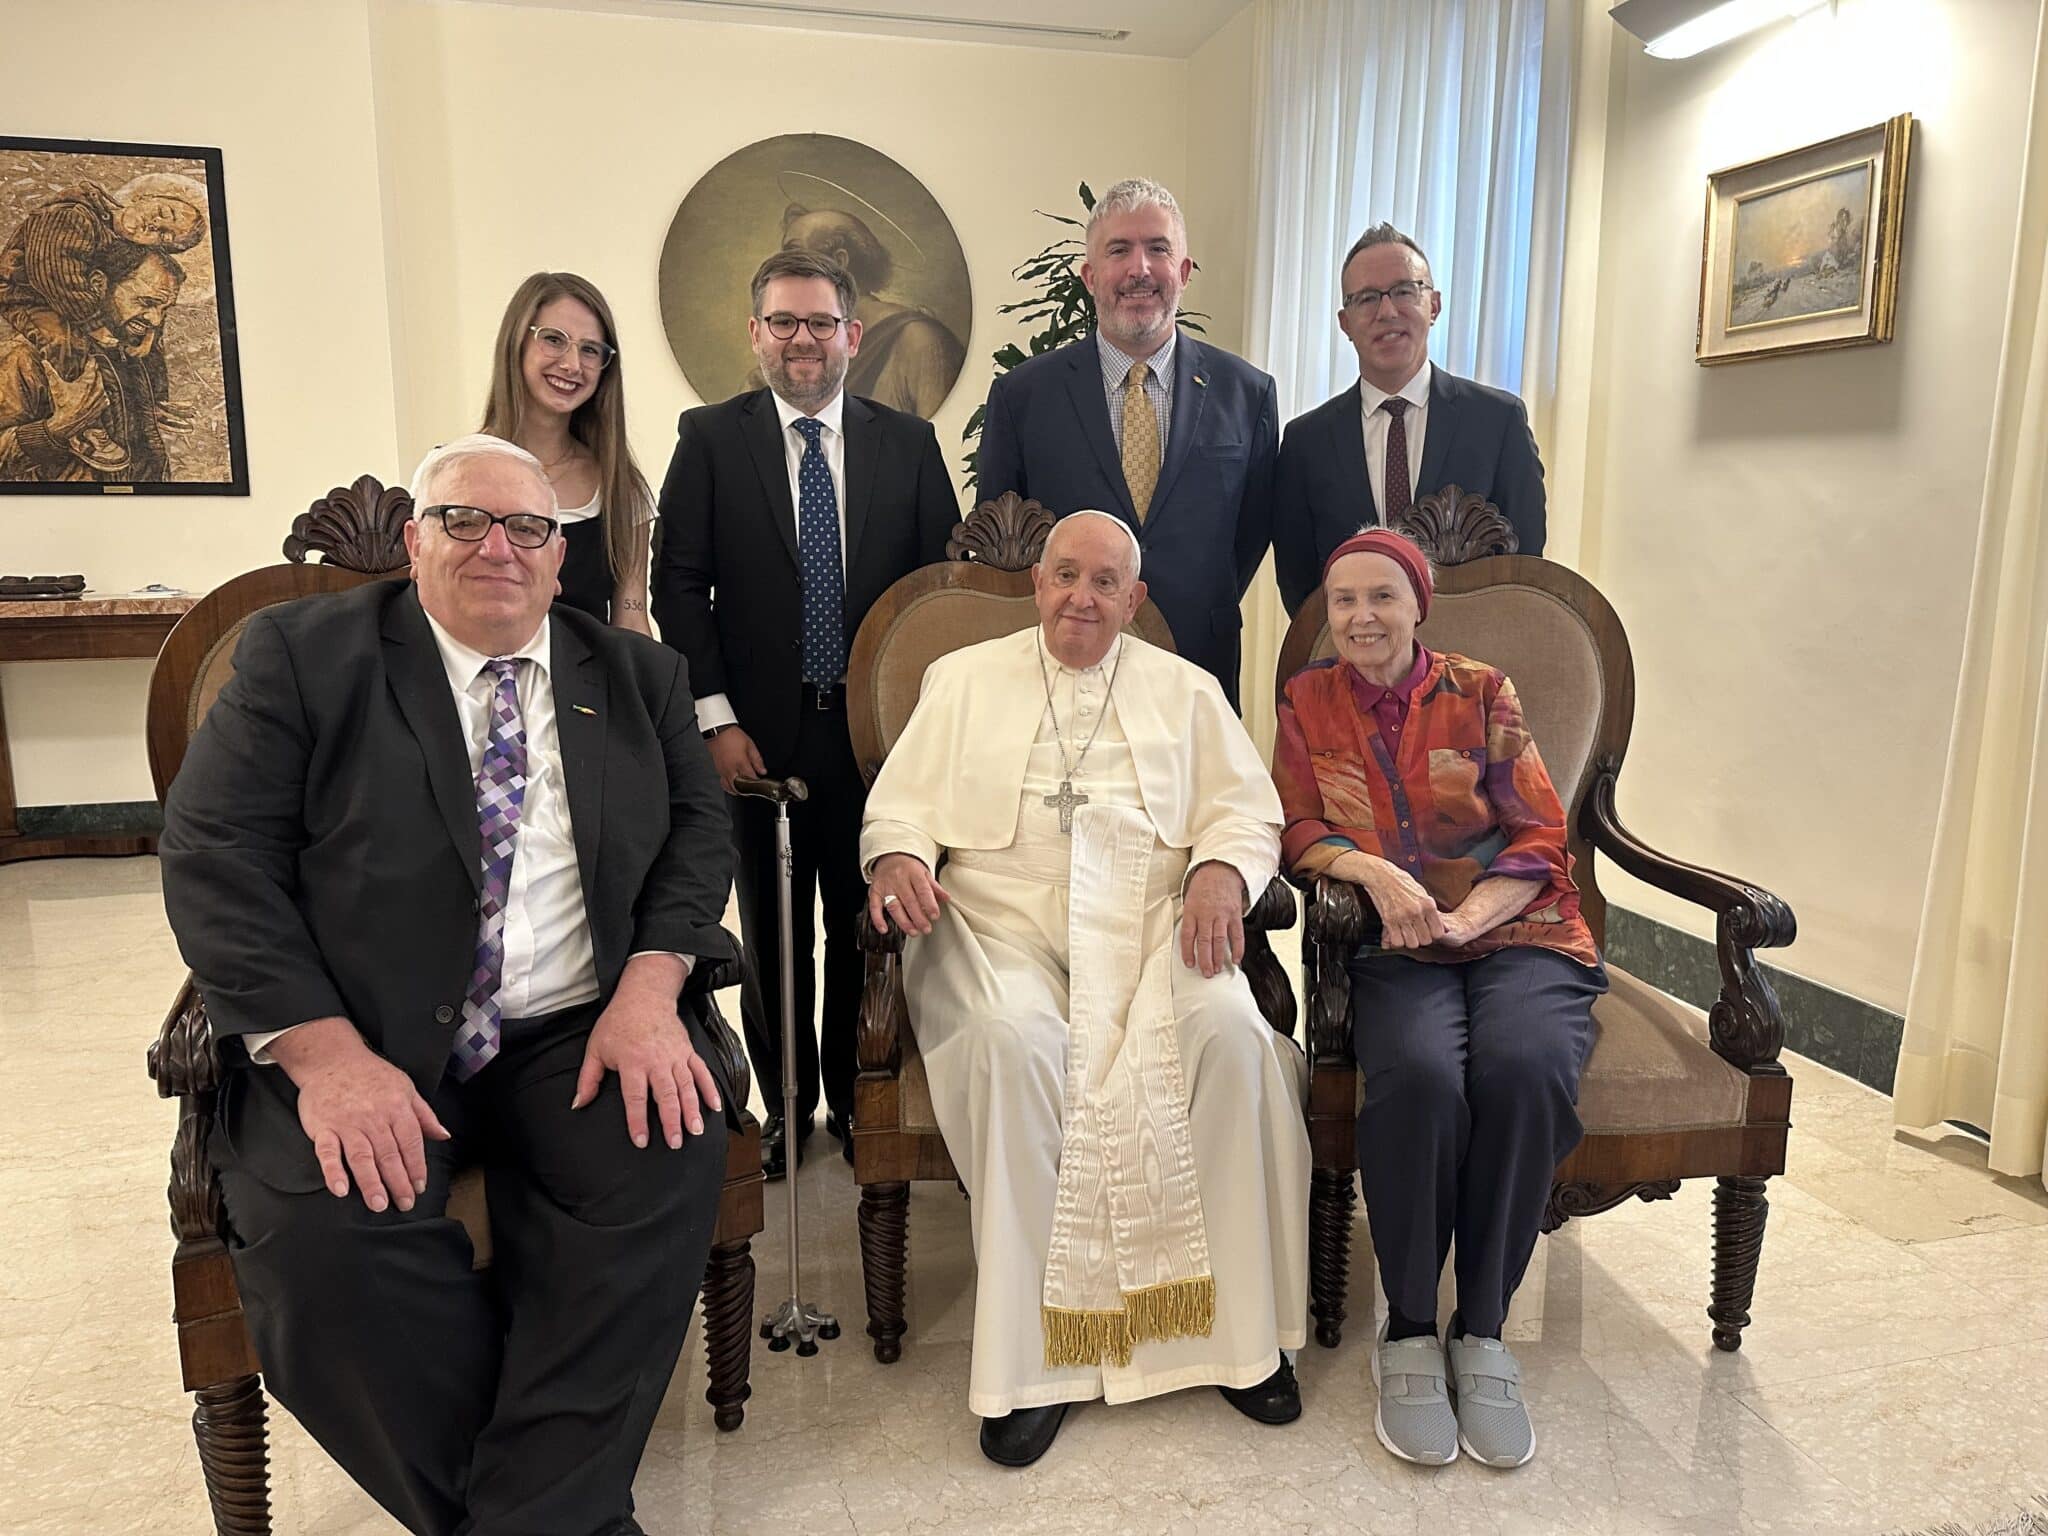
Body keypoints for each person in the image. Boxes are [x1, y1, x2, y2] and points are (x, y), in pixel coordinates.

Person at [159, 434, 736, 1536]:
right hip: (358, 1030)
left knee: (666, 1149)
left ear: (559, 558)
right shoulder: (298, 656)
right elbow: (213, 857)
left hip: (576, 1023)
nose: (500, 548)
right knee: (332, 1246)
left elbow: (696, 844)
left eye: (529, 528)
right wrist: (324, 1058)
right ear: (415, 542)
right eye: (466, 519)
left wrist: (652, 987)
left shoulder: (636, 678)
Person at [861, 510, 1310, 1467]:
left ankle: (1237, 1340)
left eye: (1107, 582)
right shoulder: (963, 679)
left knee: (1232, 1038)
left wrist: (1221, 873)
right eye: (1067, 575)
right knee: (1013, 1046)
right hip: (1000, 922)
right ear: (1037, 582)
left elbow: (1243, 810)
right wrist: (898, 854)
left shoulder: (1187, 691)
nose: (1083, 597)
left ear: (1134, 599)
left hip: (1153, 925)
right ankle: (1039, 1366)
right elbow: (900, 803)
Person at [1270, 527, 1606, 1470]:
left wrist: (1472, 918)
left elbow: (1542, 839)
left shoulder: (1481, 691)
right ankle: (1411, 1327)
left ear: (1418, 605)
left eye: (1382, 597)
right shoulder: (1308, 700)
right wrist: (1378, 876)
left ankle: (1485, 1329)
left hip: (1524, 934)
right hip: (1399, 945)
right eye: (1343, 602)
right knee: (1417, 1076)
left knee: (1524, 1068)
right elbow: (1296, 825)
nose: (1362, 618)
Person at [654, 248, 958, 1178]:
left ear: (852, 336)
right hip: (758, 740)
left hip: (873, 739)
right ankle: (785, 1108)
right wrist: (715, 719)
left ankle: (859, 1098)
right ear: (756, 335)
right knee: (777, 935)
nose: (802, 340)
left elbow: (936, 593)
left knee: (862, 925)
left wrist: (913, 728)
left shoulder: (907, 445)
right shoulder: (709, 438)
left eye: (820, 322)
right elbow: (679, 586)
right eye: (782, 322)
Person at [972, 178, 1278, 709]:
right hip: (1062, 670)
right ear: (1090, 276)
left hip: (1196, 663)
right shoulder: (1023, 396)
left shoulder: (1247, 394)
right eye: (1119, 250)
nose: (1140, 269)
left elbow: (1248, 535)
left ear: (1183, 272)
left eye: (1158, 249)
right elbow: (1004, 543)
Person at [1272, 224, 1547, 614]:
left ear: (1433, 305)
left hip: (1472, 664)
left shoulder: (1499, 423)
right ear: (1345, 322)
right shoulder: (1306, 443)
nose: (1387, 311)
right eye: (1366, 298)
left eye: (1404, 291)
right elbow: (1300, 588)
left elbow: (1526, 571)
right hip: (1349, 666)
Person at [477, 272, 657, 632]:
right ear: (517, 342)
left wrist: (651, 688)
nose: (573, 364)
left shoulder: (621, 486)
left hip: (589, 685)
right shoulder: (456, 473)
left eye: (590, 349)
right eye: (554, 340)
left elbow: (631, 617)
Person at [0, 240, 184, 483]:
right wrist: (55, 430)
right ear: (98, 284)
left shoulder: (128, 351)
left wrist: (135, 409)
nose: (155, 320)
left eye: (164, 309)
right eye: (147, 303)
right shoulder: (25, 354)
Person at [781, 200, 966, 418]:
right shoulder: (792, 350)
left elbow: (944, 440)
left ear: (839, 262)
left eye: (793, 254)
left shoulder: (920, 342)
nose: (779, 269)